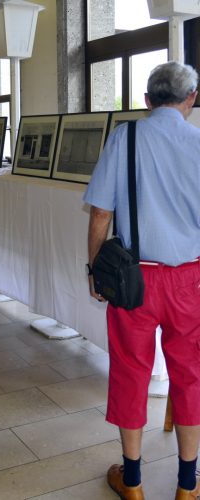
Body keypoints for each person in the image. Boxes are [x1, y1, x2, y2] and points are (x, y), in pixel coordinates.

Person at [84, 61, 200, 500]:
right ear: (190, 98)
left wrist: (95, 267)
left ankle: (132, 481)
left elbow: (100, 212)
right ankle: (187, 486)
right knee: (190, 376)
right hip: (190, 278)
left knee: (131, 372)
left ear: (148, 100)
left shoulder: (126, 135)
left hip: (135, 279)